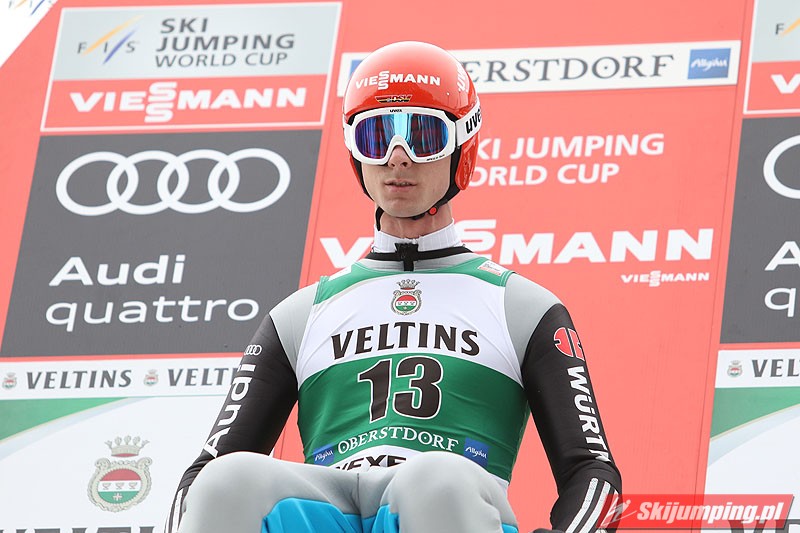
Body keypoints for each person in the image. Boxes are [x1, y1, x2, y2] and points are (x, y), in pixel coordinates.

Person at [166, 40, 621, 533]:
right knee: (225, 480)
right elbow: (201, 476)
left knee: (434, 479)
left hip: (447, 502)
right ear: (354, 152)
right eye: (376, 135)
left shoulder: (524, 307)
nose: (396, 158)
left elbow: (592, 471)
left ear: (462, 146)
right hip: (333, 507)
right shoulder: (299, 315)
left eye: (423, 135)